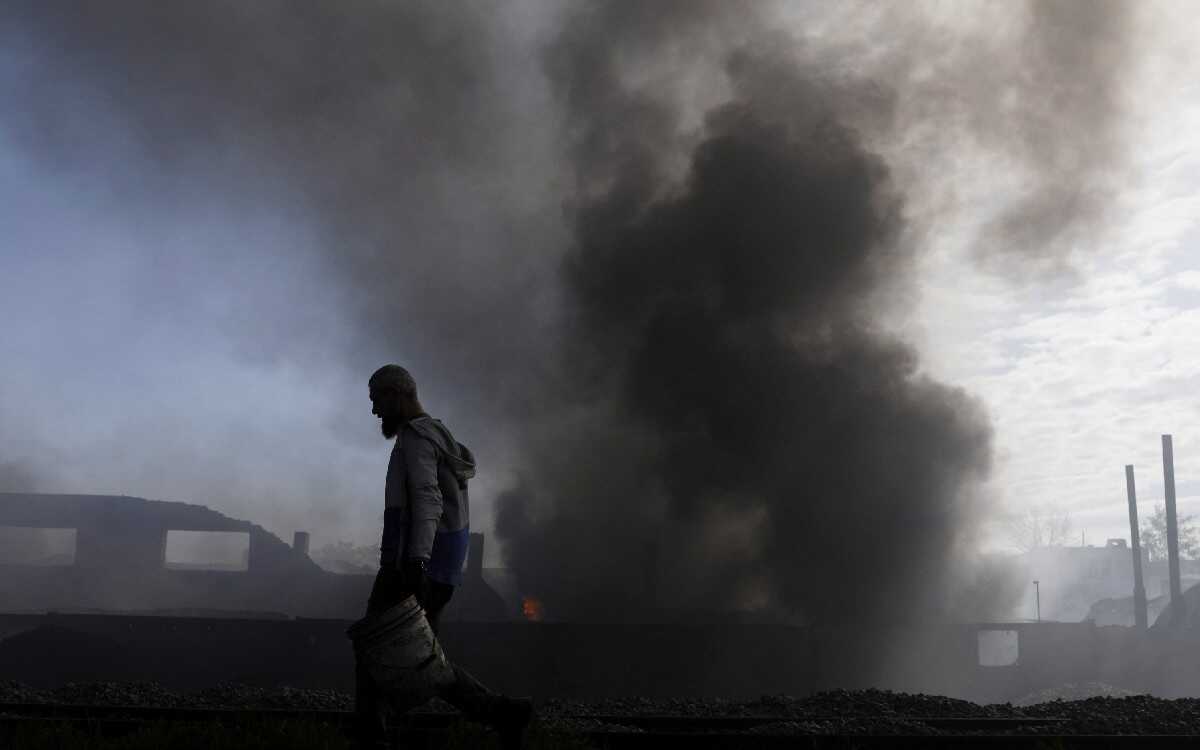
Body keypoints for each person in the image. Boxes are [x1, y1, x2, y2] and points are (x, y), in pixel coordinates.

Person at [356, 364, 532, 749]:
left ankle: (371, 739)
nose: (374, 412)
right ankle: (501, 714)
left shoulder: (417, 438)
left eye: (376, 401)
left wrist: (415, 562)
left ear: (396, 394)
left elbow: (426, 499)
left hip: (414, 565)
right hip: (439, 567)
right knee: (421, 659)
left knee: (375, 650)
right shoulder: (437, 436)